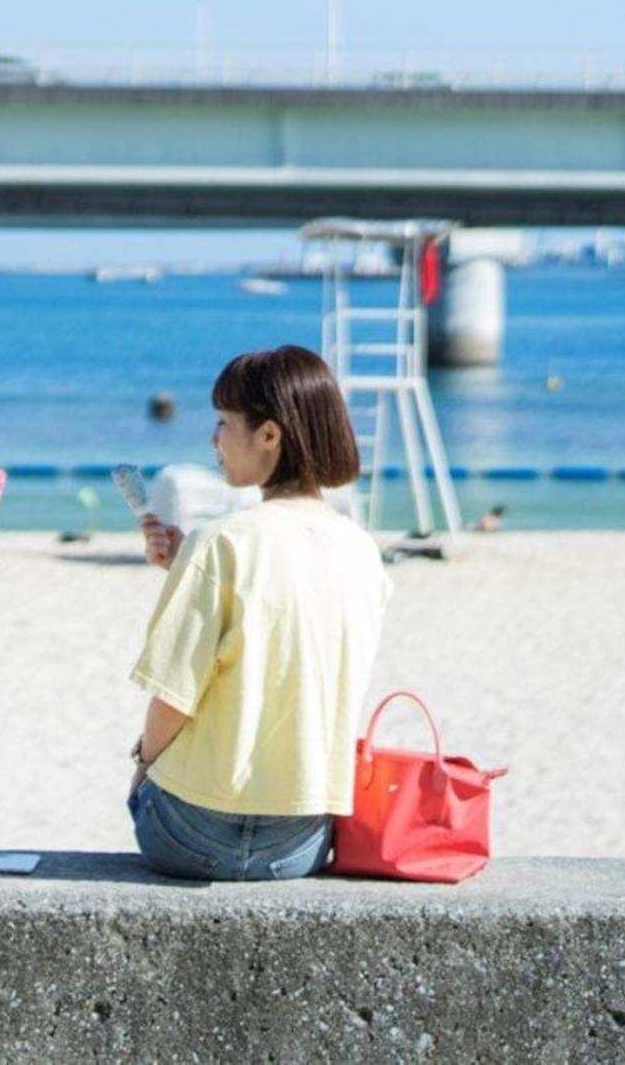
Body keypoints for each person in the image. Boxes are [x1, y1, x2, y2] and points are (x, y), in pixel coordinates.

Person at [128, 345, 390, 881]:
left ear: (270, 434)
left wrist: (141, 769)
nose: (214, 439)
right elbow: (287, 615)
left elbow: (172, 699)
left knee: (152, 774)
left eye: (224, 422)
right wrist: (187, 565)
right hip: (301, 840)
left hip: (188, 832)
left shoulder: (221, 543)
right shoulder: (361, 550)